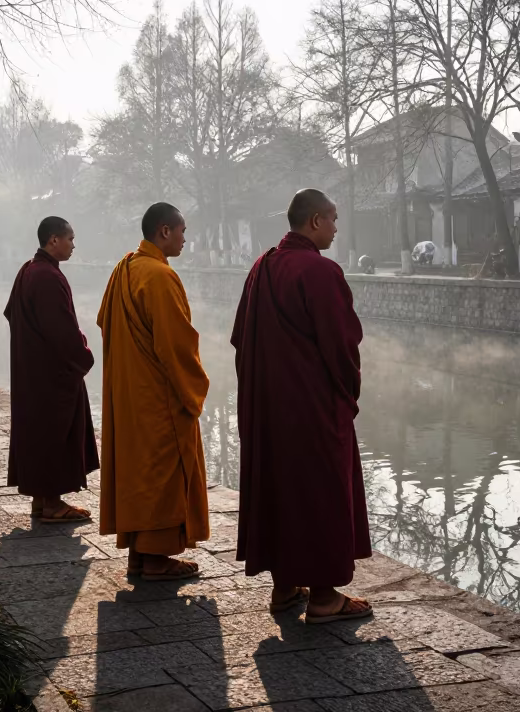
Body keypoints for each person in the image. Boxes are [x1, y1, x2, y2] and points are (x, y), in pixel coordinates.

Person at [231, 189, 373, 623]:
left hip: (269, 408)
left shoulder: (261, 268)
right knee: (319, 494)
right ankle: (325, 597)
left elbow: (240, 338)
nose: (335, 228)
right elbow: (342, 346)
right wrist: (347, 395)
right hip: (312, 408)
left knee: (281, 491)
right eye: (332, 219)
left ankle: (284, 587)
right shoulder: (320, 271)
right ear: (314, 221)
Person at [97, 203, 210, 581]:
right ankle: (158, 561)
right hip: (159, 397)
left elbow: (105, 322)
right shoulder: (159, 275)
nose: (184, 239)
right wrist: (193, 390)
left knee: (138, 472)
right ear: (164, 231)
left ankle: (140, 555)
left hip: (129, 393)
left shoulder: (124, 268)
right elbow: (175, 344)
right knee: (163, 473)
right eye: (181, 231)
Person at [4, 216, 97, 523]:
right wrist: (84, 356)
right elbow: (61, 330)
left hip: (33, 370)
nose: (73, 245)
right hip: (51, 374)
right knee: (54, 433)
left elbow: (12, 314)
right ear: (53, 240)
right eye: (70, 239)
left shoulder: (28, 270)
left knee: (39, 433)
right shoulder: (46, 276)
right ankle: (53, 503)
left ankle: (42, 501)